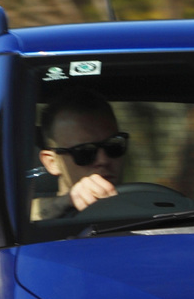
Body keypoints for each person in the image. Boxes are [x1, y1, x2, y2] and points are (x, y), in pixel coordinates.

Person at [35, 89, 127, 217]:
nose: (103, 160)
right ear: (52, 162)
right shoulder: (29, 227)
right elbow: (19, 216)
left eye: (114, 146)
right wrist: (64, 203)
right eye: (85, 152)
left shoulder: (145, 207)